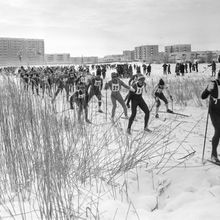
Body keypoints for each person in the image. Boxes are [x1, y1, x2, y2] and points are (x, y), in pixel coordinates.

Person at [201, 70, 220, 163]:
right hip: (214, 111)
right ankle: (213, 155)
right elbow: (203, 96)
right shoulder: (213, 83)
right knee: (218, 130)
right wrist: (208, 89)